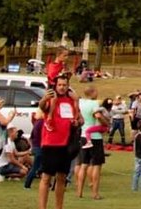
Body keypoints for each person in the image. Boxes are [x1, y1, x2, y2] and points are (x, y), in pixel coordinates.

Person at [38, 75, 83, 209]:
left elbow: (81, 120)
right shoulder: (52, 99)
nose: (62, 87)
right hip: (51, 143)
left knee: (62, 177)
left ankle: (59, 206)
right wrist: (44, 98)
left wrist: (77, 121)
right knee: (46, 177)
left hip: (66, 144)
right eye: (60, 85)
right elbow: (42, 107)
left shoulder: (71, 100)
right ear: (55, 86)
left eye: (64, 85)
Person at [77, 85, 106, 199]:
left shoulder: (81, 102)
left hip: (84, 135)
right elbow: (98, 115)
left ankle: (79, 192)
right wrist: (105, 123)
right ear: (92, 92)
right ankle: (95, 193)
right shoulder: (94, 104)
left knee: (84, 164)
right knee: (97, 165)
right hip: (95, 136)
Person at [24, 109, 44, 189]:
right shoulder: (43, 123)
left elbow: (31, 137)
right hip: (40, 147)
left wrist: (32, 147)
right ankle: (27, 184)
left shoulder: (37, 123)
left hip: (36, 147)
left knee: (39, 166)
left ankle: (47, 183)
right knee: (36, 167)